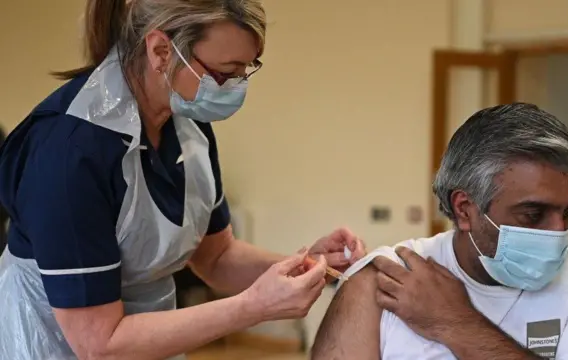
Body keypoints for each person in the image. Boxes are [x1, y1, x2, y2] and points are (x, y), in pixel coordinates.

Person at [0, 1, 366, 359]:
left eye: (244, 71)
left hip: (147, 341)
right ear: (161, 51)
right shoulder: (70, 151)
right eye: (224, 74)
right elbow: (101, 343)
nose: (234, 88)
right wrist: (253, 307)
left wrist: (310, 264)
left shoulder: (188, 124)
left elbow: (217, 257)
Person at [312, 103, 568, 360]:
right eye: (533, 214)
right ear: (465, 209)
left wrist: (456, 323)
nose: (559, 231)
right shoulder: (384, 279)